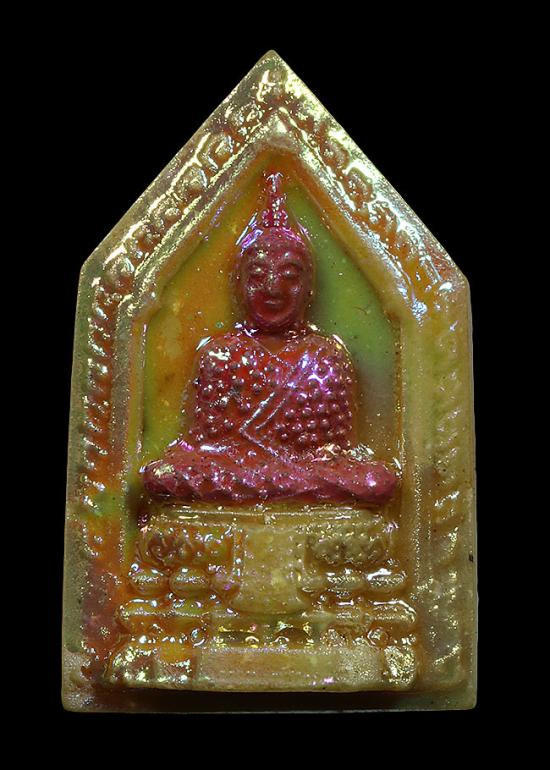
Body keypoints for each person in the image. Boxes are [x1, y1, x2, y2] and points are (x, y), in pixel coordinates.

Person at [143, 172, 397, 505]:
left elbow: (338, 455)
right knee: (164, 475)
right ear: (239, 285)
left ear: (308, 288)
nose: (273, 288)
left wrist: (293, 470)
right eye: (258, 275)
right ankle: (278, 488)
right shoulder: (220, 355)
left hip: (305, 473)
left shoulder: (326, 357)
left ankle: (273, 488)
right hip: (232, 470)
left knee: (375, 481)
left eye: (289, 275)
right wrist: (258, 469)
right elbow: (200, 448)